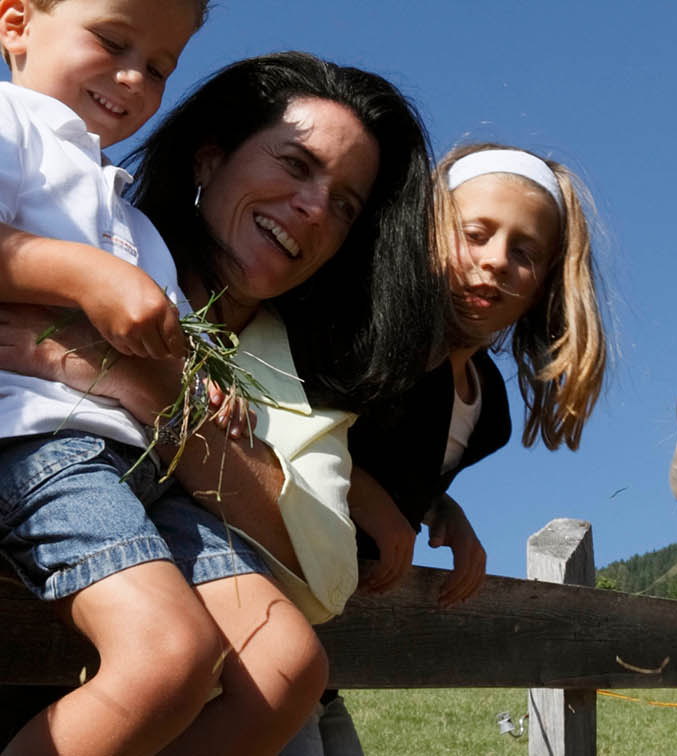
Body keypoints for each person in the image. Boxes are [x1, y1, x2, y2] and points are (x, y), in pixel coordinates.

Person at [0, 50, 441, 754]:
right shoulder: (84, 236)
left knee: (287, 676)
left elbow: (326, 574)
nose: (315, 208)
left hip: (163, 700)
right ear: (209, 160)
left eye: (346, 204)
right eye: (296, 165)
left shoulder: (306, 378)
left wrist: (147, 391)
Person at [286, 143, 608, 753]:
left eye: (524, 252)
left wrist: (443, 513)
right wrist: (372, 501)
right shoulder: (373, 341)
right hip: (262, 612)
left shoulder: (488, 407)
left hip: (330, 644)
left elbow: (409, 468)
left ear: (544, 284)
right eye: (476, 234)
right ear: (427, 236)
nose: (495, 261)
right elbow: (285, 428)